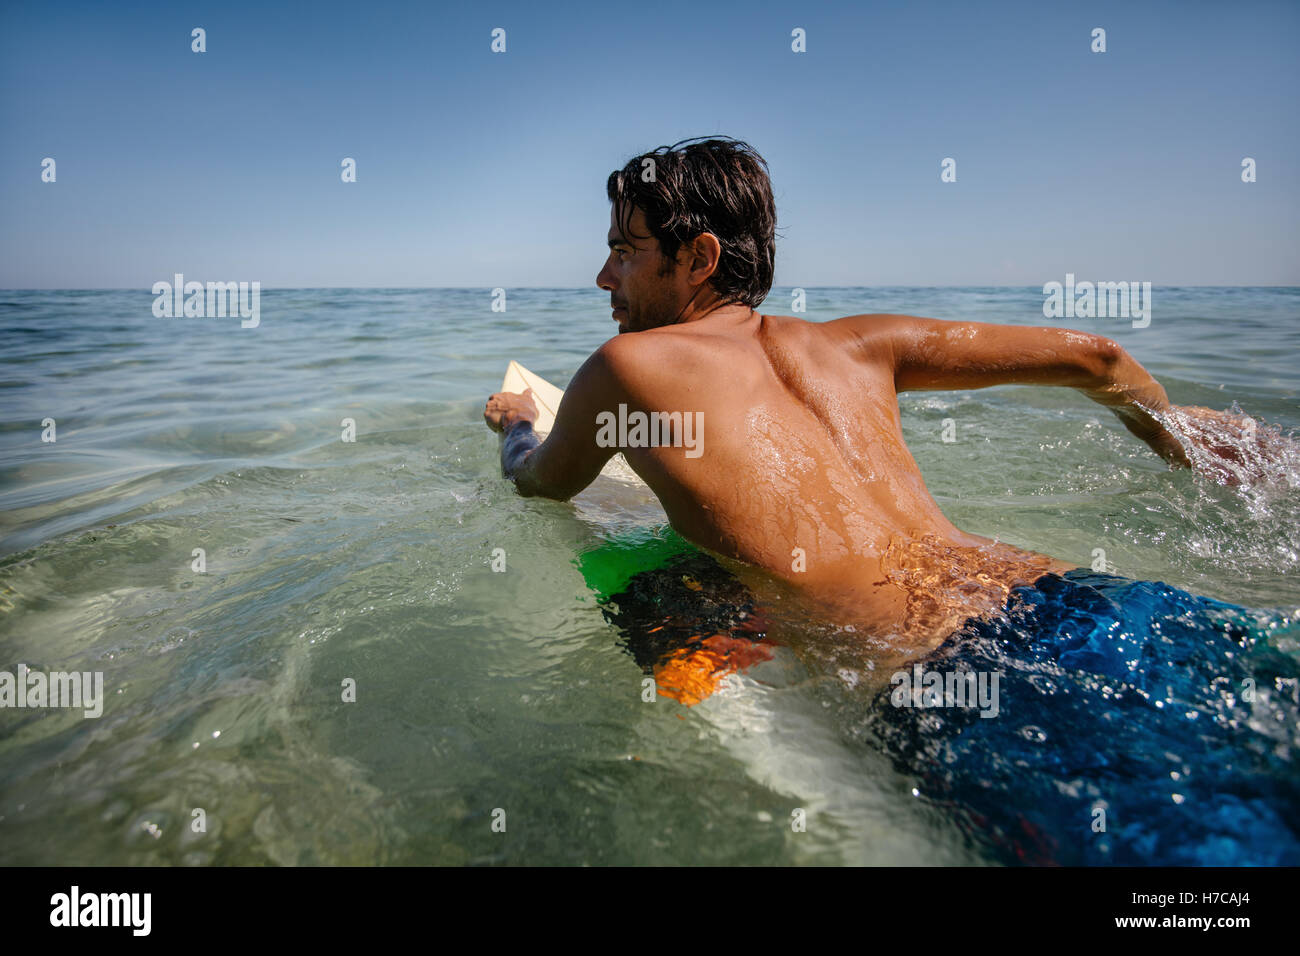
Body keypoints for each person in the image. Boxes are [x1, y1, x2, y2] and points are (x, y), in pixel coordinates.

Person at [483, 136, 1264, 662]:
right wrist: (1175, 431)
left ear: (699, 257)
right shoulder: (862, 344)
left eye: (625, 251)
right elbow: (1098, 357)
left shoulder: (627, 367)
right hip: (1074, 599)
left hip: (934, 664)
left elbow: (540, 486)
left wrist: (518, 427)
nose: (603, 277)